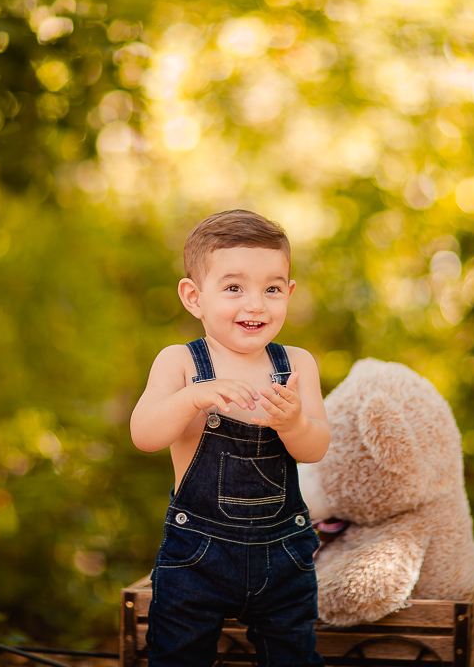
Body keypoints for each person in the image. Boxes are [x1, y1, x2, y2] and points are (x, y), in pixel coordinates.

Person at [131, 209, 330, 667]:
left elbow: (315, 448)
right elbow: (144, 434)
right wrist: (193, 398)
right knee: (178, 655)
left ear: (289, 293)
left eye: (272, 288)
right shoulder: (180, 362)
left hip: (283, 555)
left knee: (293, 656)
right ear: (194, 296)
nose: (256, 304)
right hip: (197, 556)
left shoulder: (297, 365)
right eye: (234, 287)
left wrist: (294, 424)